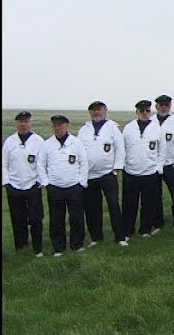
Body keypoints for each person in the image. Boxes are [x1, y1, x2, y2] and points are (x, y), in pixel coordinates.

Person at [77, 101, 128, 247]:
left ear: (105, 110)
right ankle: (96, 238)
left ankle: (120, 237)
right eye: (93, 110)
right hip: (89, 175)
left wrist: (116, 169)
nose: (96, 113)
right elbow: (79, 152)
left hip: (108, 174)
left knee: (113, 205)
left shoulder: (112, 128)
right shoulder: (84, 130)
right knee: (92, 208)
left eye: (99, 110)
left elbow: (120, 149)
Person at [37, 115, 88, 257]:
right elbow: (40, 165)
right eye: (55, 125)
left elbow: (84, 163)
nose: (57, 128)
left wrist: (81, 183)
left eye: (60, 125)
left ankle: (77, 245)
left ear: (67, 126)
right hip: (55, 188)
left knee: (76, 217)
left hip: (74, 187)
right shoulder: (47, 144)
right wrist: (47, 183)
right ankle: (59, 248)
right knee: (56, 219)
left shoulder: (76, 143)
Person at [2, 111, 45, 257]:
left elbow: (43, 163)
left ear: (30, 122)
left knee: (35, 218)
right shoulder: (10, 141)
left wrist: (40, 181)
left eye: (26, 121)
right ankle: (21, 247)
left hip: (33, 185)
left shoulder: (38, 141)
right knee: (17, 219)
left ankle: (37, 248)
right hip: (14, 186)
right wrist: (7, 183)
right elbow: (4, 164)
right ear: (16, 123)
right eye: (20, 121)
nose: (23, 124)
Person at [121, 100, 166, 239]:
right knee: (129, 204)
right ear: (137, 112)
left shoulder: (157, 128)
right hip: (131, 172)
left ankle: (145, 229)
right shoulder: (128, 128)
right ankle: (128, 230)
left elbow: (162, 150)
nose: (145, 114)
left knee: (149, 203)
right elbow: (122, 148)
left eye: (147, 111)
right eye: (142, 111)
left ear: (150, 112)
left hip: (150, 172)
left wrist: (158, 167)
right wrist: (124, 165)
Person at [150, 95, 174, 234]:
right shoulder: (150, 121)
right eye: (161, 105)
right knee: (155, 194)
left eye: (166, 105)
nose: (164, 107)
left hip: (170, 164)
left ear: (170, 106)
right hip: (153, 164)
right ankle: (158, 223)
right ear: (156, 106)